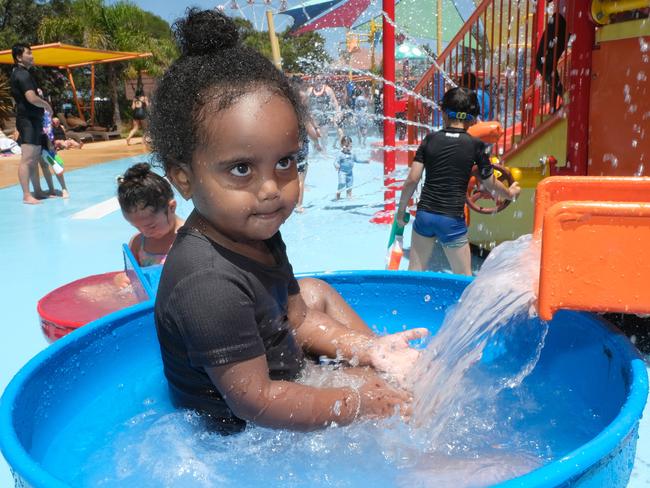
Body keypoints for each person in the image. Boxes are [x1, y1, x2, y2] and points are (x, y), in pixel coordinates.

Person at [148, 8, 427, 434]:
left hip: (276, 364)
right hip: (245, 428)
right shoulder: (206, 286)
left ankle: (387, 358)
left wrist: (368, 350)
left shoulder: (253, 226)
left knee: (314, 293)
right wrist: (359, 402)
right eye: (241, 169)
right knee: (395, 403)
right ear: (184, 178)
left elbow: (295, 319)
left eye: (285, 162)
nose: (270, 188)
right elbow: (257, 402)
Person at [396, 87, 520, 276]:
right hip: (451, 220)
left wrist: (401, 210)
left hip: (425, 216)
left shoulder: (429, 140)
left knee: (415, 274)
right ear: (472, 119)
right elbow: (490, 183)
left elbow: (412, 179)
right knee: (463, 281)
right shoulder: (475, 145)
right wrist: (510, 193)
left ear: (444, 113)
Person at [117, 162, 184, 267]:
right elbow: (131, 276)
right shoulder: (138, 244)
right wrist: (122, 278)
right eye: (137, 227)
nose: (146, 233)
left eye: (151, 226)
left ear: (171, 207)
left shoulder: (190, 240)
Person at [10, 43, 53, 204]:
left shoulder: (22, 73)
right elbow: (31, 98)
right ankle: (27, 195)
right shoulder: (22, 74)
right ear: (19, 57)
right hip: (27, 120)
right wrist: (47, 105)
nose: (32, 56)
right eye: (28, 53)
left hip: (32, 119)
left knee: (33, 159)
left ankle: (38, 191)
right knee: (27, 159)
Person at [291, 77, 322, 213]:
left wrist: (317, 126)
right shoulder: (302, 112)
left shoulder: (287, 109)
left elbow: (311, 119)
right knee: (300, 178)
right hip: (301, 148)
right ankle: (298, 205)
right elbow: (311, 132)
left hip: (287, 149)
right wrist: (316, 142)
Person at [535, 3, 567, 112]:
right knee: (549, 64)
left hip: (561, 18)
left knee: (541, 63)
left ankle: (566, 96)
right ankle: (553, 107)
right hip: (565, 20)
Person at [307, 76, 339, 152]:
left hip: (324, 116)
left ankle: (324, 151)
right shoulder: (310, 90)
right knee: (313, 135)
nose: (319, 81)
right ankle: (315, 151)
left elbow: (334, 101)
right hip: (313, 117)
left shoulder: (328, 90)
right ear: (314, 80)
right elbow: (305, 103)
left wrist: (337, 113)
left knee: (324, 135)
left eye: (321, 79)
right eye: (317, 79)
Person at [334, 135, 365, 200]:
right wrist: (337, 165)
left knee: (350, 185)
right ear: (342, 146)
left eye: (350, 146)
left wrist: (365, 161)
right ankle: (338, 194)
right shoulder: (340, 154)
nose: (348, 148)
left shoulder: (352, 153)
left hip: (350, 172)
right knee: (342, 183)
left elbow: (357, 160)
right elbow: (335, 162)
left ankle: (349, 196)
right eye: (346, 146)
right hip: (342, 172)